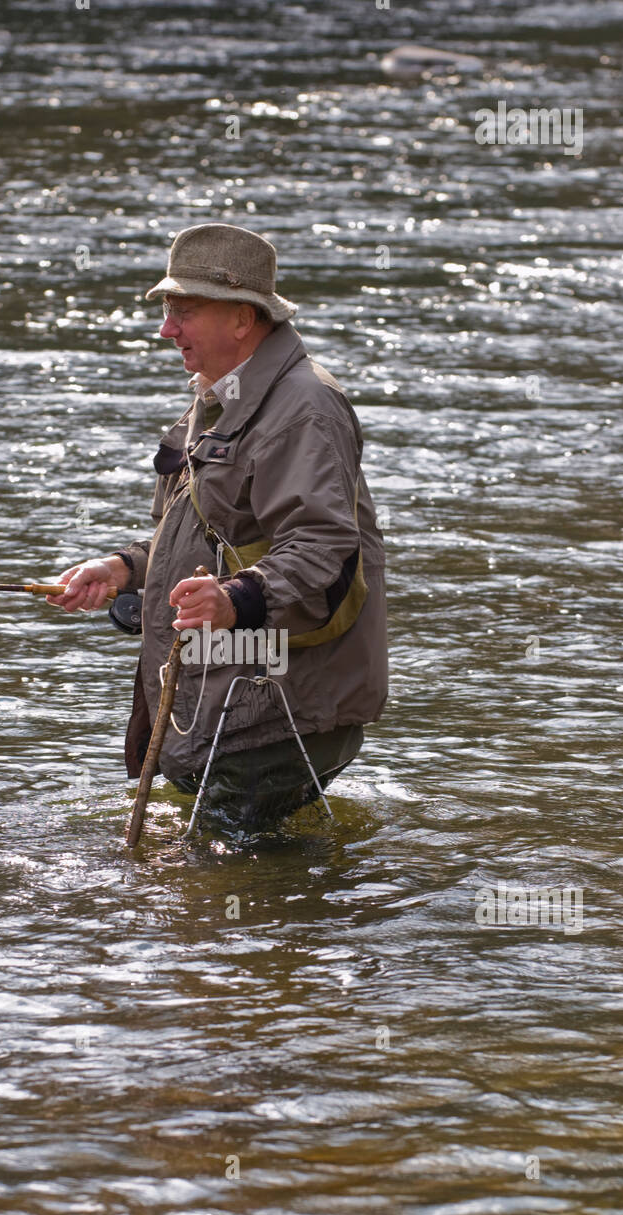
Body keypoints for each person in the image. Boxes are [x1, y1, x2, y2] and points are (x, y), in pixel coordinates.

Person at [49, 223, 388, 827]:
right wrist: (121, 570)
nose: (166, 329)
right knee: (219, 878)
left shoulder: (304, 408)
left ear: (241, 317)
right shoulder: (217, 396)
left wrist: (234, 600)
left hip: (274, 712)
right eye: (167, 312)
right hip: (228, 702)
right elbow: (202, 539)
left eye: (184, 312)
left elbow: (323, 546)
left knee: (221, 885)